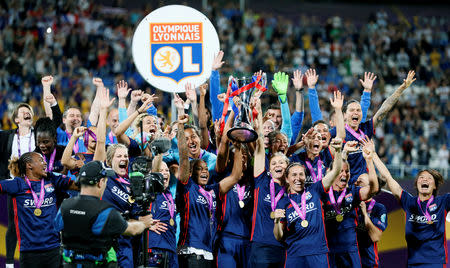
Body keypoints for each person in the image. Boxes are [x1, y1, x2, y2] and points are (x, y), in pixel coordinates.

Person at [54, 161, 166, 267]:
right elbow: (132, 230)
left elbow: (57, 227)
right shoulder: (105, 211)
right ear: (100, 182)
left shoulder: (65, 206)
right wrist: (143, 223)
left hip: (70, 264)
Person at [176, 114, 244, 268]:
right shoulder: (188, 187)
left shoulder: (213, 191)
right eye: (199, 169)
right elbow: (183, 158)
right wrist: (180, 126)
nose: (204, 171)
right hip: (190, 251)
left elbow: (235, 176)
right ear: (191, 173)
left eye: (206, 168)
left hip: (209, 251)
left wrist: (239, 146)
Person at [273, 137, 343, 268]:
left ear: (305, 176)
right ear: (287, 179)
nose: (298, 178)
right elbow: (278, 236)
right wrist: (276, 222)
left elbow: (335, 172)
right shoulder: (283, 203)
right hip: (295, 254)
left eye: (301, 174)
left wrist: (338, 151)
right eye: (294, 175)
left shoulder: (315, 190)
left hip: (318, 252)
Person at [373, 148, 449, 267]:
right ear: (417, 184)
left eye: (429, 178)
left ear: (434, 186)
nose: (425, 179)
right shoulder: (408, 202)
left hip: (436, 263)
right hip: (413, 263)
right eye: (421, 177)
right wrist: (373, 154)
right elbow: (388, 177)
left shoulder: (443, 202)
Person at [0, 152, 77, 268]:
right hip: (29, 252)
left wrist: (80, 170)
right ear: (29, 165)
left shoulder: (52, 179)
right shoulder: (18, 184)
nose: (45, 163)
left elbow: (79, 186)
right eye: (41, 160)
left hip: (53, 248)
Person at [322, 137, 379, 268]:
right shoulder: (321, 194)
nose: (344, 174)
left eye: (347, 171)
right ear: (330, 173)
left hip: (350, 251)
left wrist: (369, 161)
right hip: (328, 252)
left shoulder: (352, 192)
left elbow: (374, 189)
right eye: (340, 171)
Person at [355, 173, 387, 268]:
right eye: (356, 181)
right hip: (347, 258)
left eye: (360, 182)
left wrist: (365, 214)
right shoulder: (349, 203)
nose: (356, 183)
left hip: (368, 261)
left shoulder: (378, 208)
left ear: (371, 187)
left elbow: (376, 237)